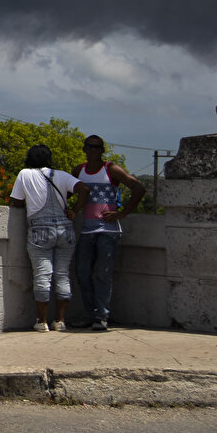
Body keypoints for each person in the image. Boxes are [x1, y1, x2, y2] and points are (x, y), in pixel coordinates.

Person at [9, 144, 88, 332]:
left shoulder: (25, 174)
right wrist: (75, 210)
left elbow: (16, 200)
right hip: (65, 228)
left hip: (40, 230)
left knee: (42, 275)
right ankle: (60, 320)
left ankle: (42, 320)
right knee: (62, 275)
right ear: (48, 159)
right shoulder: (61, 175)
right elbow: (84, 189)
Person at [72, 135, 146, 331]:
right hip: (87, 229)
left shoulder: (111, 169)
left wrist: (123, 213)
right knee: (82, 271)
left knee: (104, 274)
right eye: (90, 146)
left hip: (107, 230)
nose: (94, 150)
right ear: (85, 149)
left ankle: (101, 316)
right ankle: (90, 313)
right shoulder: (79, 170)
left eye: (98, 147)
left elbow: (138, 187)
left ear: (102, 150)